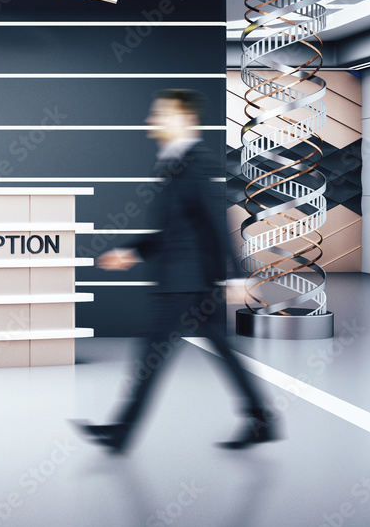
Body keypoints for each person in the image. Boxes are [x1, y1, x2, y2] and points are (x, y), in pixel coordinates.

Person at [72, 89, 279, 453]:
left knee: (151, 355)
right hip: (191, 280)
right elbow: (175, 227)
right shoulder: (173, 162)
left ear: (185, 118)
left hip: (186, 282)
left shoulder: (194, 162)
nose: (153, 121)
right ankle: (262, 419)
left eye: (161, 114)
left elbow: (217, 220)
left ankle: (121, 433)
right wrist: (134, 251)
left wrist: (235, 275)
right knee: (218, 351)